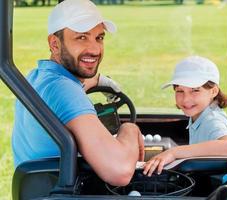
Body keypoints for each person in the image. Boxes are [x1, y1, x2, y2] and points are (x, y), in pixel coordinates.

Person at [12, 0, 144, 186]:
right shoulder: (64, 90)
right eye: (81, 37)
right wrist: (130, 129)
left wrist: (98, 80)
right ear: (55, 44)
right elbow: (119, 171)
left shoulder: (37, 78)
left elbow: (71, 86)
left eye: (99, 38)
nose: (94, 49)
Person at [143, 56, 227, 176]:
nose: (186, 99)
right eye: (180, 91)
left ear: (213, 91)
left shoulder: (212, 120)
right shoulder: (200, 116)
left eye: (195, 90)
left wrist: (173, 153)